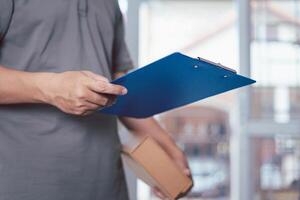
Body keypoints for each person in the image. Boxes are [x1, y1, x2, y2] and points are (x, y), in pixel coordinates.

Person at [0, 0, 192, 199]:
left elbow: (120, 91)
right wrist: (50, 88)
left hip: (108, 185)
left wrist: (169, 147)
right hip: (24, 184)